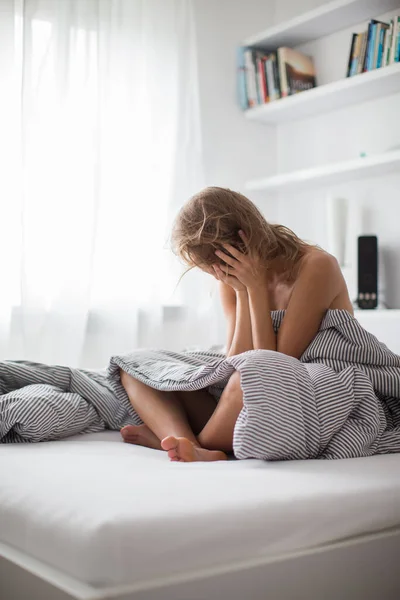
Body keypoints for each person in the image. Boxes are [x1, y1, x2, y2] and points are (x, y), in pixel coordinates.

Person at [120, 186, 353, 462]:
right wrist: (242, 292)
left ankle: (187, 441)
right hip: (246, 390)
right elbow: (235, 361)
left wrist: (255, 288)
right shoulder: (229, 279)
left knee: (246, 379)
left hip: (301, 387)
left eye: (218, 265)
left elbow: (272, 368)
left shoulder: (316, 266)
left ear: (240, 245)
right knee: (134, 364)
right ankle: (186, 441)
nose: (217, 275)